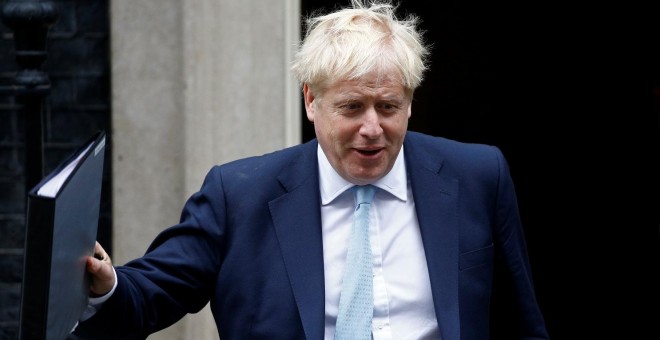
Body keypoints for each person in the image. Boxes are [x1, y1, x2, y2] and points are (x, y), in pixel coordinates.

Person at [74, 0, 549, 339]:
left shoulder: (477, 176)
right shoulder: (237, 195)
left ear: (410, 103)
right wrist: (106, 283)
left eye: (388, 106)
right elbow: (148, 297)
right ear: (311, 101)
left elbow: (521, 322)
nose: (372, 128)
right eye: (352, 107)